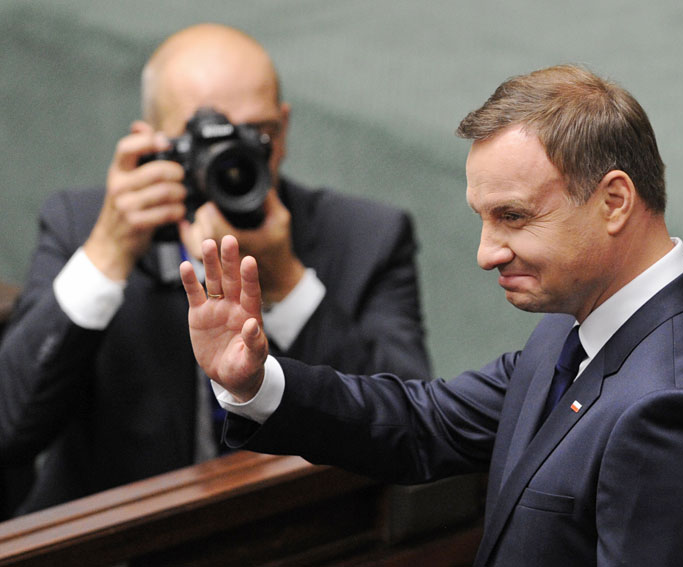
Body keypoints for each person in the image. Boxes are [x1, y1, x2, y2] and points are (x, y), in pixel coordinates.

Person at [180, 65, 683, 566]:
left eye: (514, 217)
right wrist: (253, 383)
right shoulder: (583, 324)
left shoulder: (676, 408)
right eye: (483, 219)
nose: (485, 254)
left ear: (614, 201)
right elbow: (426, 425)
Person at [0, 23, 430, 515]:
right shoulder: (81, 225)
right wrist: (108, 253)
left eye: (257, 134)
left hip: (302, 534)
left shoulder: (366, 236)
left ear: (284, 129)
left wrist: (287, 282)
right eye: (204, 138)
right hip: (119, 538)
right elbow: (9, 428)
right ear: (152, 142)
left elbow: (408, 432)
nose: (233, 159)